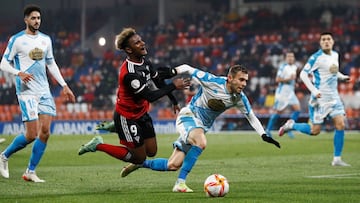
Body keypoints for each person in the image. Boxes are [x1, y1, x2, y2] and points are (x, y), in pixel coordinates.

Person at [119, 64, 281, 192]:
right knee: (201, 142)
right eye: (241, 80)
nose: (244, 84)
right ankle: (180, 184)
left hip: (199, 127)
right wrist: (172, 71)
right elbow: (189, 69)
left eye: (246, 80)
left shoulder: (239, 98)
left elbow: (251, 116)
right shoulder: (212, 81)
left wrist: (263, 135)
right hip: (188, 117)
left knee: (173, 165)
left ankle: (141, 163)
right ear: (230, 78)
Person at [78, 28, 190, 167]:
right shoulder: (129, 74)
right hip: (127, 116)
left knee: (152, 151)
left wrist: (173, 100)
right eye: (137, 43)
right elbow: (150, 96)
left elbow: (158, 80)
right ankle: (98, 144)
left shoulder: (145, 62)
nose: (142, 43)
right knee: (138, 159)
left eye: (141, 40)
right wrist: (173, 85)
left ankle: (118, 129)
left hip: (141, 113)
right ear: (129, 50)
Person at [0, 4, 76, 182]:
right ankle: (4, 156)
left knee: (45, 132)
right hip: (26, 92)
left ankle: (30, 171)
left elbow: (51, 64)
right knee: (31, 134)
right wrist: (18, 73)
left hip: (44, 91)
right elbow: (3, 64)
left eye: (39, 18)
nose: (37, 21)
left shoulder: (46, 40)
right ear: (26, 19)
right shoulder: (17, 40)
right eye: (33, 18)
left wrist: (64, 84)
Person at [279, 32, 351, 166]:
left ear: (333, 41)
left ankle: (337, 159)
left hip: (334, 97)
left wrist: (342, 77)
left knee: (340, 124)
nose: (326, 41)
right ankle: (292, 125)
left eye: (328, 39)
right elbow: (303, 74)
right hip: (320, 99)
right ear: (320, 43)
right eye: (323, 39)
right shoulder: (316, 58)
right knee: (314, 131)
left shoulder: (335, 55)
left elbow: (333, 72)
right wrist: (314, 90)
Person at [266, 52, 301, 138]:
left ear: (294, 58)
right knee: (278, 112)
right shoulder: (283, 67)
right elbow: (277, 79)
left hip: (290, 92)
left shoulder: (294, 67)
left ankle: (288, 128)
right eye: (288, 57)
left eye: (292, 56)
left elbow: (292, 79)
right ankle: (268, 130)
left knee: (298, 110)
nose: (290, 58)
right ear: (285, 58)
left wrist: (294, 83)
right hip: (283, 92)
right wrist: (289, 79)